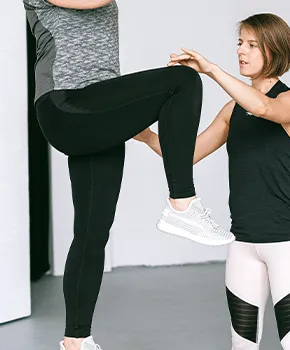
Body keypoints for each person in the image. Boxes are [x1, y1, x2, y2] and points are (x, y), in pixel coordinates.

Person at [22, 1, 234, 349]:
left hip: (97, 113)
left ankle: (76, 339)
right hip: (65, 105)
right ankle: (182, 204)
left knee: (92, 232)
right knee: (181, 80)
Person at [135, 13, 290, 350]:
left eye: (252, 45)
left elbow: (263, 107)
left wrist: (212, 70)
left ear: (274, 50)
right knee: (242, 344)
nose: (242, 51)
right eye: (240, 43)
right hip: (243, 243)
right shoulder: (232, 111)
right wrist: (146, 136)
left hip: (287, 243)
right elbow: (187, 154)